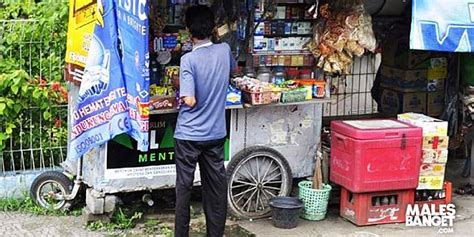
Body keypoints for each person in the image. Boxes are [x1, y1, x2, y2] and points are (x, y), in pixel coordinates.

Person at [173, 5, 235, 237]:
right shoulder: (224, 50)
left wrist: (178, 85)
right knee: (215, 191)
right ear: (212, 29)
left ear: (189, 30)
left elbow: (189, 100)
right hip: (216, 134)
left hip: (188, 136)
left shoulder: (188, 60)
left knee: (184, 190)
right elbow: (232, 71)